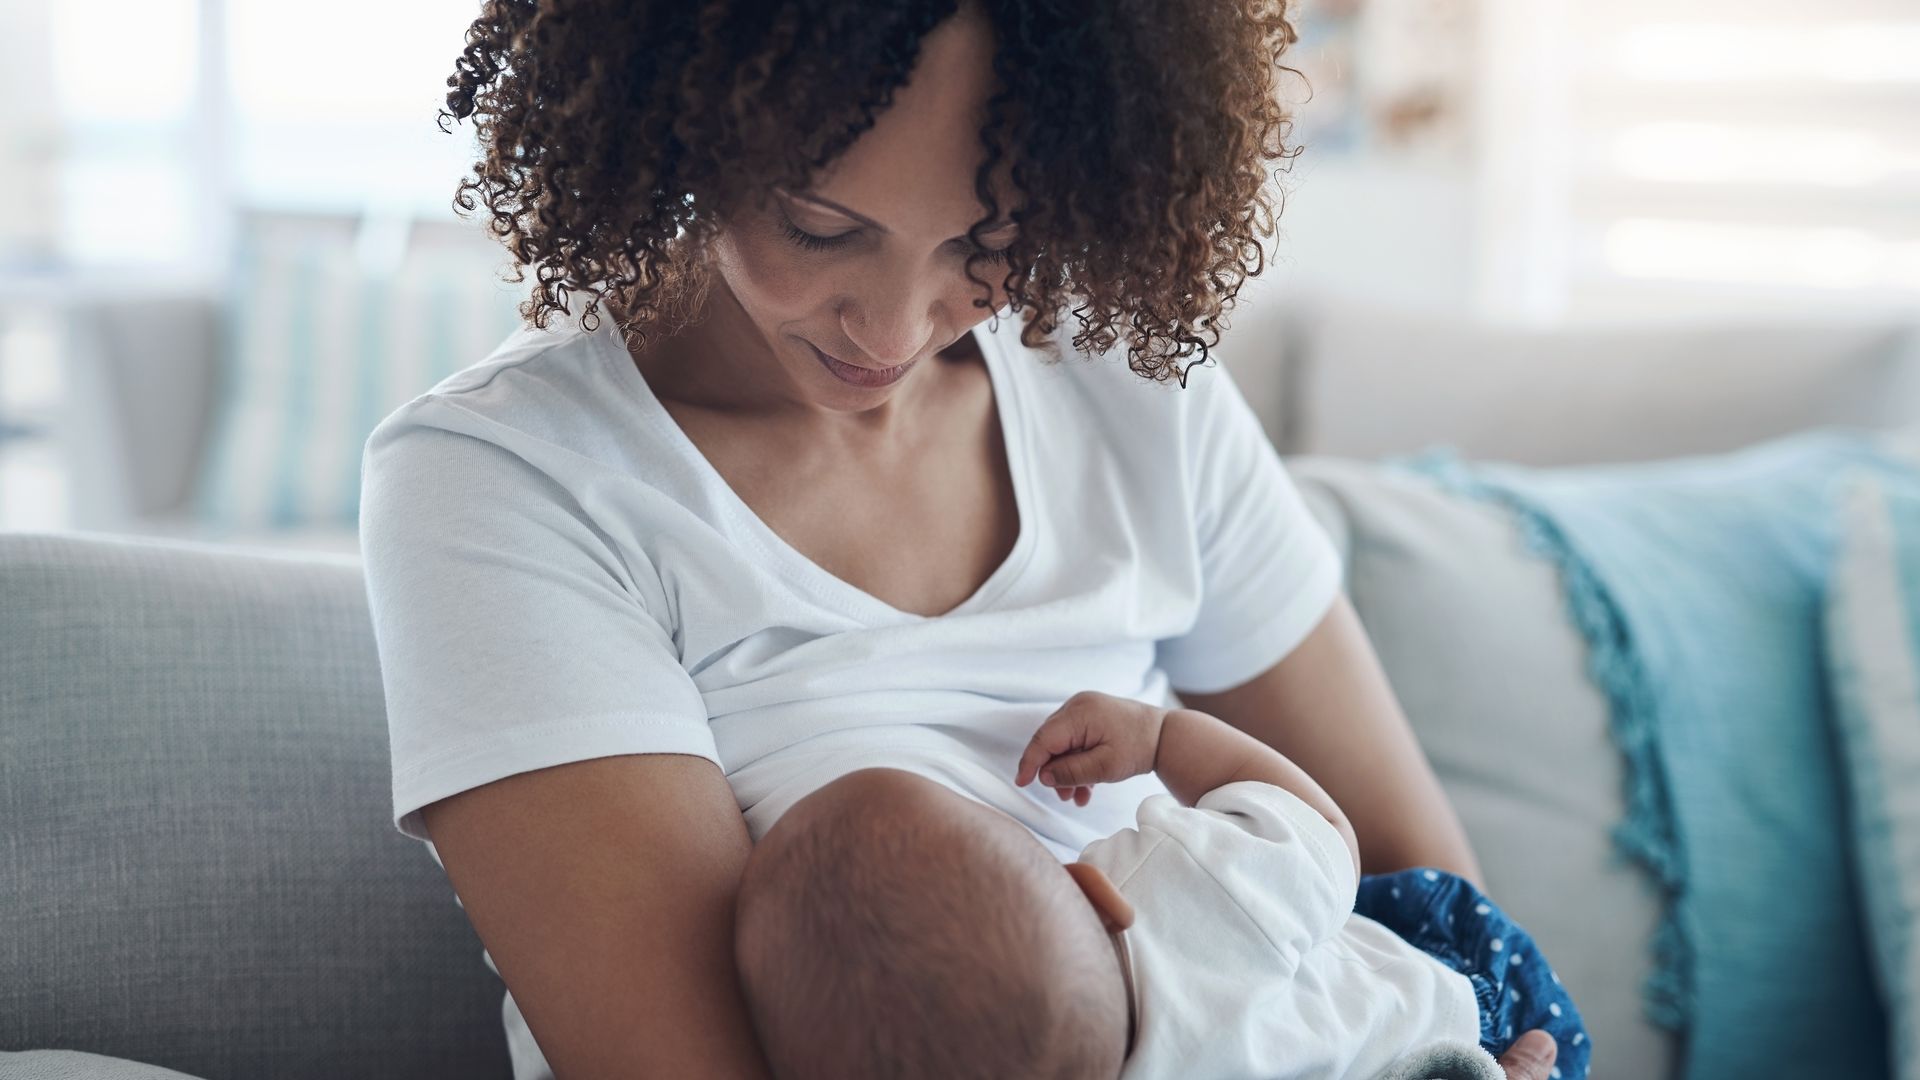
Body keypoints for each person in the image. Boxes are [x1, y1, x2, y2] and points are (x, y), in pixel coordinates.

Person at [357, 1, 1562, 1077]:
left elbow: (1432, 902)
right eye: (819, 226)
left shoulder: (1131, 391)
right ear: (677, 120)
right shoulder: (507, 480)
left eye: (986, 245)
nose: (890, 328)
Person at [732, 693, 1591, 1079]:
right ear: (1095, 894)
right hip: (1475, 1006)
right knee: (1382, 911)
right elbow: (1324, 834)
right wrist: (1164, 738)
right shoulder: (1173, 888)